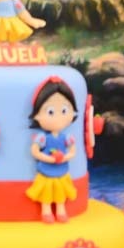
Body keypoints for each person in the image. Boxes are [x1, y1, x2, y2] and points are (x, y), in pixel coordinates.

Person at [26, 77, 79, 224]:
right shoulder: (42, 138)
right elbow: (35, 151)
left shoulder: (66, 137)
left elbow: (73, 151)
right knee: (46, 192)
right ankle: (46, 211)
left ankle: (61, 210)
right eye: (50, 112)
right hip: (46, 170)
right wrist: (49, 158)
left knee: (61, 192)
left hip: (61, 170)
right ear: (37, 115)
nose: (58, 117)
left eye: (64, 111)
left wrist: (64, 157)